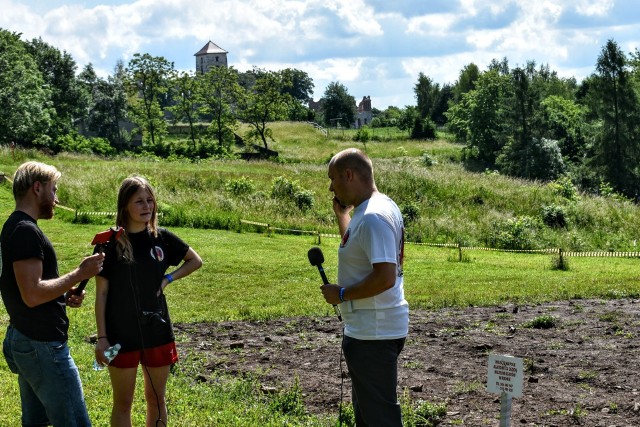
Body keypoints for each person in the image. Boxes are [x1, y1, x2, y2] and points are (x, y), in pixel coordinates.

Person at [1, 161, 105, 426]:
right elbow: (32, 294)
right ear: (37, 188)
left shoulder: (17, 226)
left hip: (28, 337)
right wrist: (79, 274)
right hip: (41, 345)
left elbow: (26, 287)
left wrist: (63, 292)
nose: (56, 199)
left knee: (36, 421)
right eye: (54, 189)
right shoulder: (25, 231)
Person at [94, 175, 202, 427]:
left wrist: (168, 279)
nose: (147, 207)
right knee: (123, 403)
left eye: (150, 200)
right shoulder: (108, 244)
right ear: (124, 207)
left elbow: (195, 260)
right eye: (139, 201)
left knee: (156, 398)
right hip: (119, 334)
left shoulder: (161, 237)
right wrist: (102, 338)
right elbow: (101, 294)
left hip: (157, 331)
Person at [321, 148, 408, 427]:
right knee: (369, 415)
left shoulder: (373, 217)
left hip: (374, 333)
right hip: (371, 328)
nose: (330, 186)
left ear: (349, 175)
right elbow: (355, 245)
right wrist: (341, 215)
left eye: (333, 178)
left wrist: (342, 294)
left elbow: (385, 277)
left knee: (380, 418)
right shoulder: (373, 209)